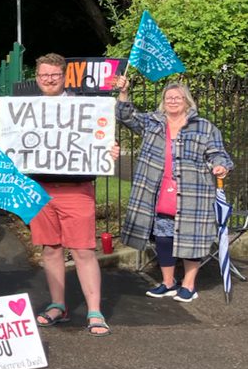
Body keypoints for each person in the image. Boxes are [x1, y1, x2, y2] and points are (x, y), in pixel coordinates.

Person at [116, 78, 232, 302]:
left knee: (192, 239)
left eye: (177, 97)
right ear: (163, 102)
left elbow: (219, 153)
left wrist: (220, 165)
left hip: (194, 194)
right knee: (163, 236)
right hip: (159, 191)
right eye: (168, 98)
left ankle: (188, 286)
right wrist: (123, 93)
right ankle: (168, 283)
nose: (172, 101)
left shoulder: (204, 127)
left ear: (187, 101)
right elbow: (125, 116)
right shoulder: (153, 122)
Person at [27, 53, 111, 336]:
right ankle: (57, 306)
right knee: (51, 249)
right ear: (37, 78)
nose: (48, 79)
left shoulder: (83, 106)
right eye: (43, 75)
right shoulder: (26, 109)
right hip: (41, 189)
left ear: (64, 76)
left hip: (76, 188)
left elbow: (101, 138)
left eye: (54, 75)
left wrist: (109, 150)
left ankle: (95, 311)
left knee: (83, 250)